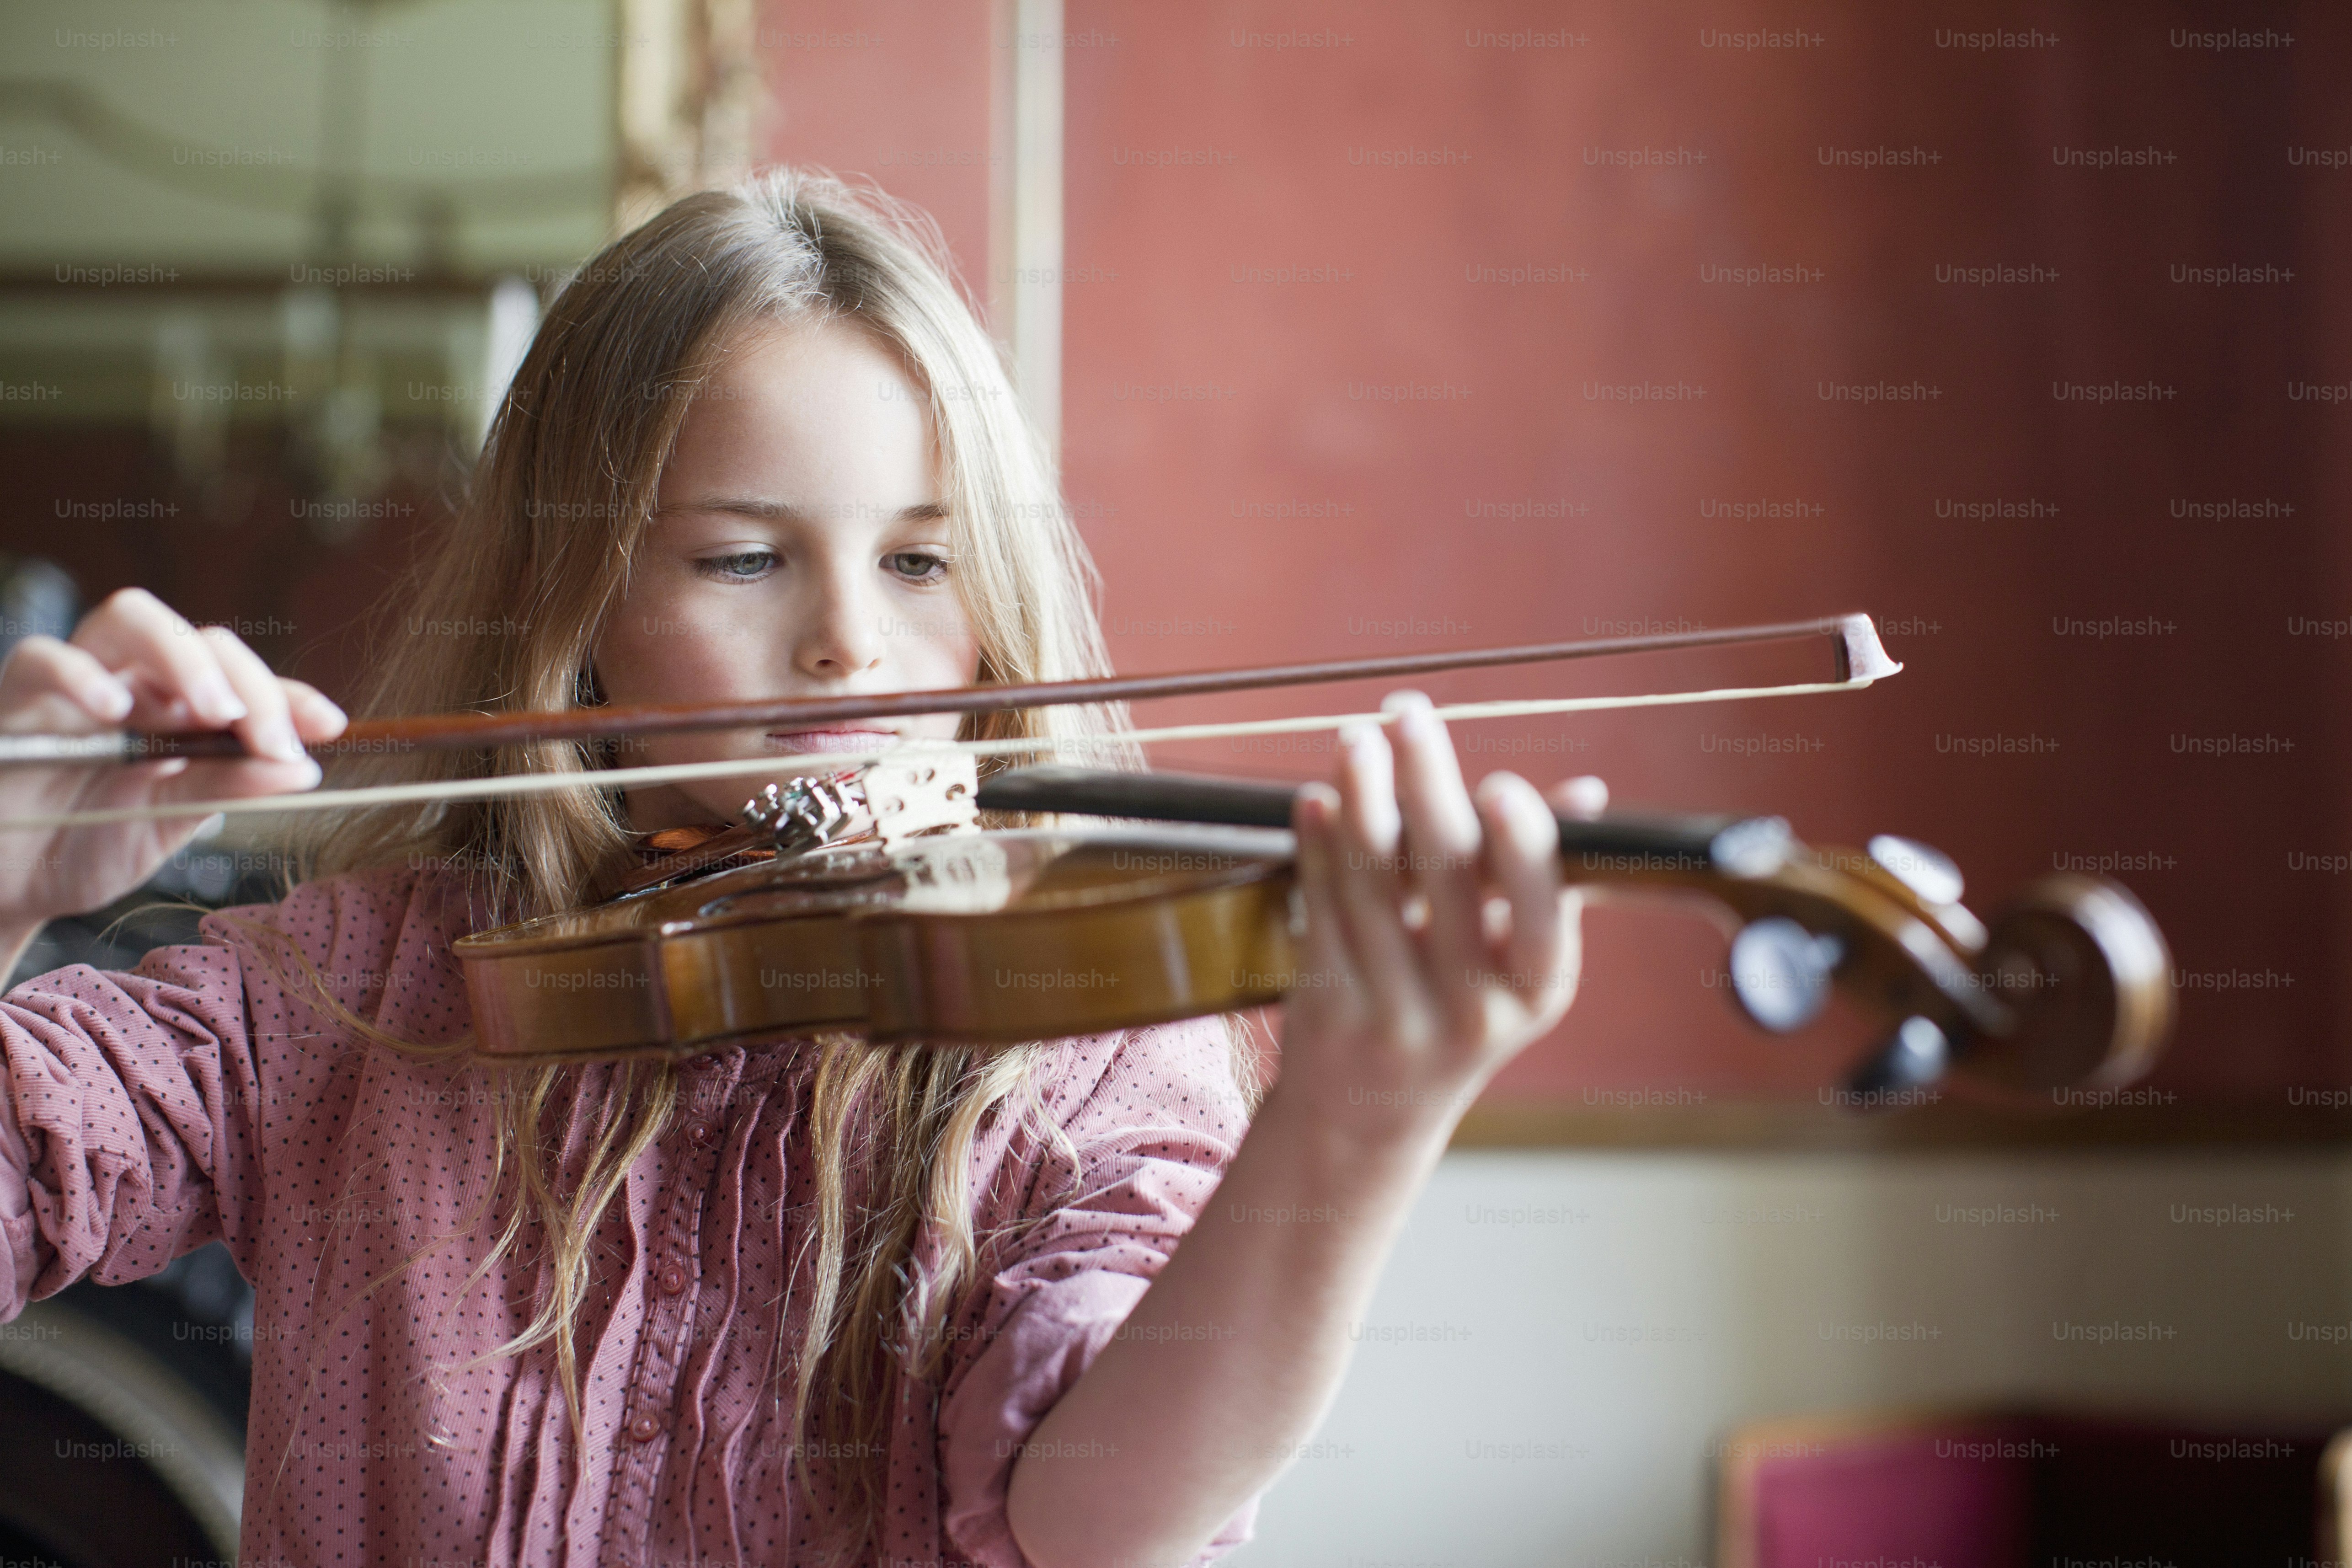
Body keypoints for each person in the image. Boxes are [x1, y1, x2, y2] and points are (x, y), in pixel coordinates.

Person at [0, 170, 1599, 1568]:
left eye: (919, 559)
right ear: (581, 619)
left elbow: (1095, 1509)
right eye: (748, 558)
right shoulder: (352, 992)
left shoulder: (1080, 1031)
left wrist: (1356, 1119)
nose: (853, 642)